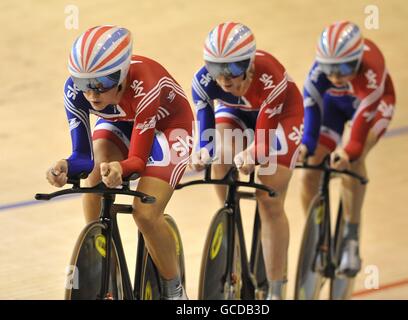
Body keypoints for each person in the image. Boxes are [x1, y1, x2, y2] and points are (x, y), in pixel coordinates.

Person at [46, 25, 193, 299]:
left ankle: (175, 290)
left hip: (169, 127)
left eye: (102, 83)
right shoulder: (75, 91)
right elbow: (82, 157)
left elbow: (137, 160)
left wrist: (121, 169)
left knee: (145, 214)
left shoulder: (145, 82)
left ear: (123, 74)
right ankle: (102, 259)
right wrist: (66, 168)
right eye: (83, 83)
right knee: (94, 181)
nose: (92, 94)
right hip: (123, 123)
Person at [190, 22, 304, 299]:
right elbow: (206, 135)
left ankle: (277, 289)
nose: (224, 78)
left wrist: (252, 154)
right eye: (216, 68)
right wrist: (202, 152)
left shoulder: (271, 76)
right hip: (237, 112)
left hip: (281, 119)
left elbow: (264, 141)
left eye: (232, 70)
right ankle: (229, 216)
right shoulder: (203, 82)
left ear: (249, 62)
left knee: (269, 199)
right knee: (222, 155)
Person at [298, 21, 396, 276]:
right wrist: (306, 147)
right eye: (328, 68)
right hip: (334, 104)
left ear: (357, 61)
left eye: (342, 68)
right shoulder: (318, 73)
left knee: (355, 158)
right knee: (309, 170)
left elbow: (355, 140)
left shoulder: (372, 71)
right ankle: (318, 236)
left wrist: (348, 152)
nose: (334, 76)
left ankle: (351, 237)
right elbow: (310, 123)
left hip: (373, 106)